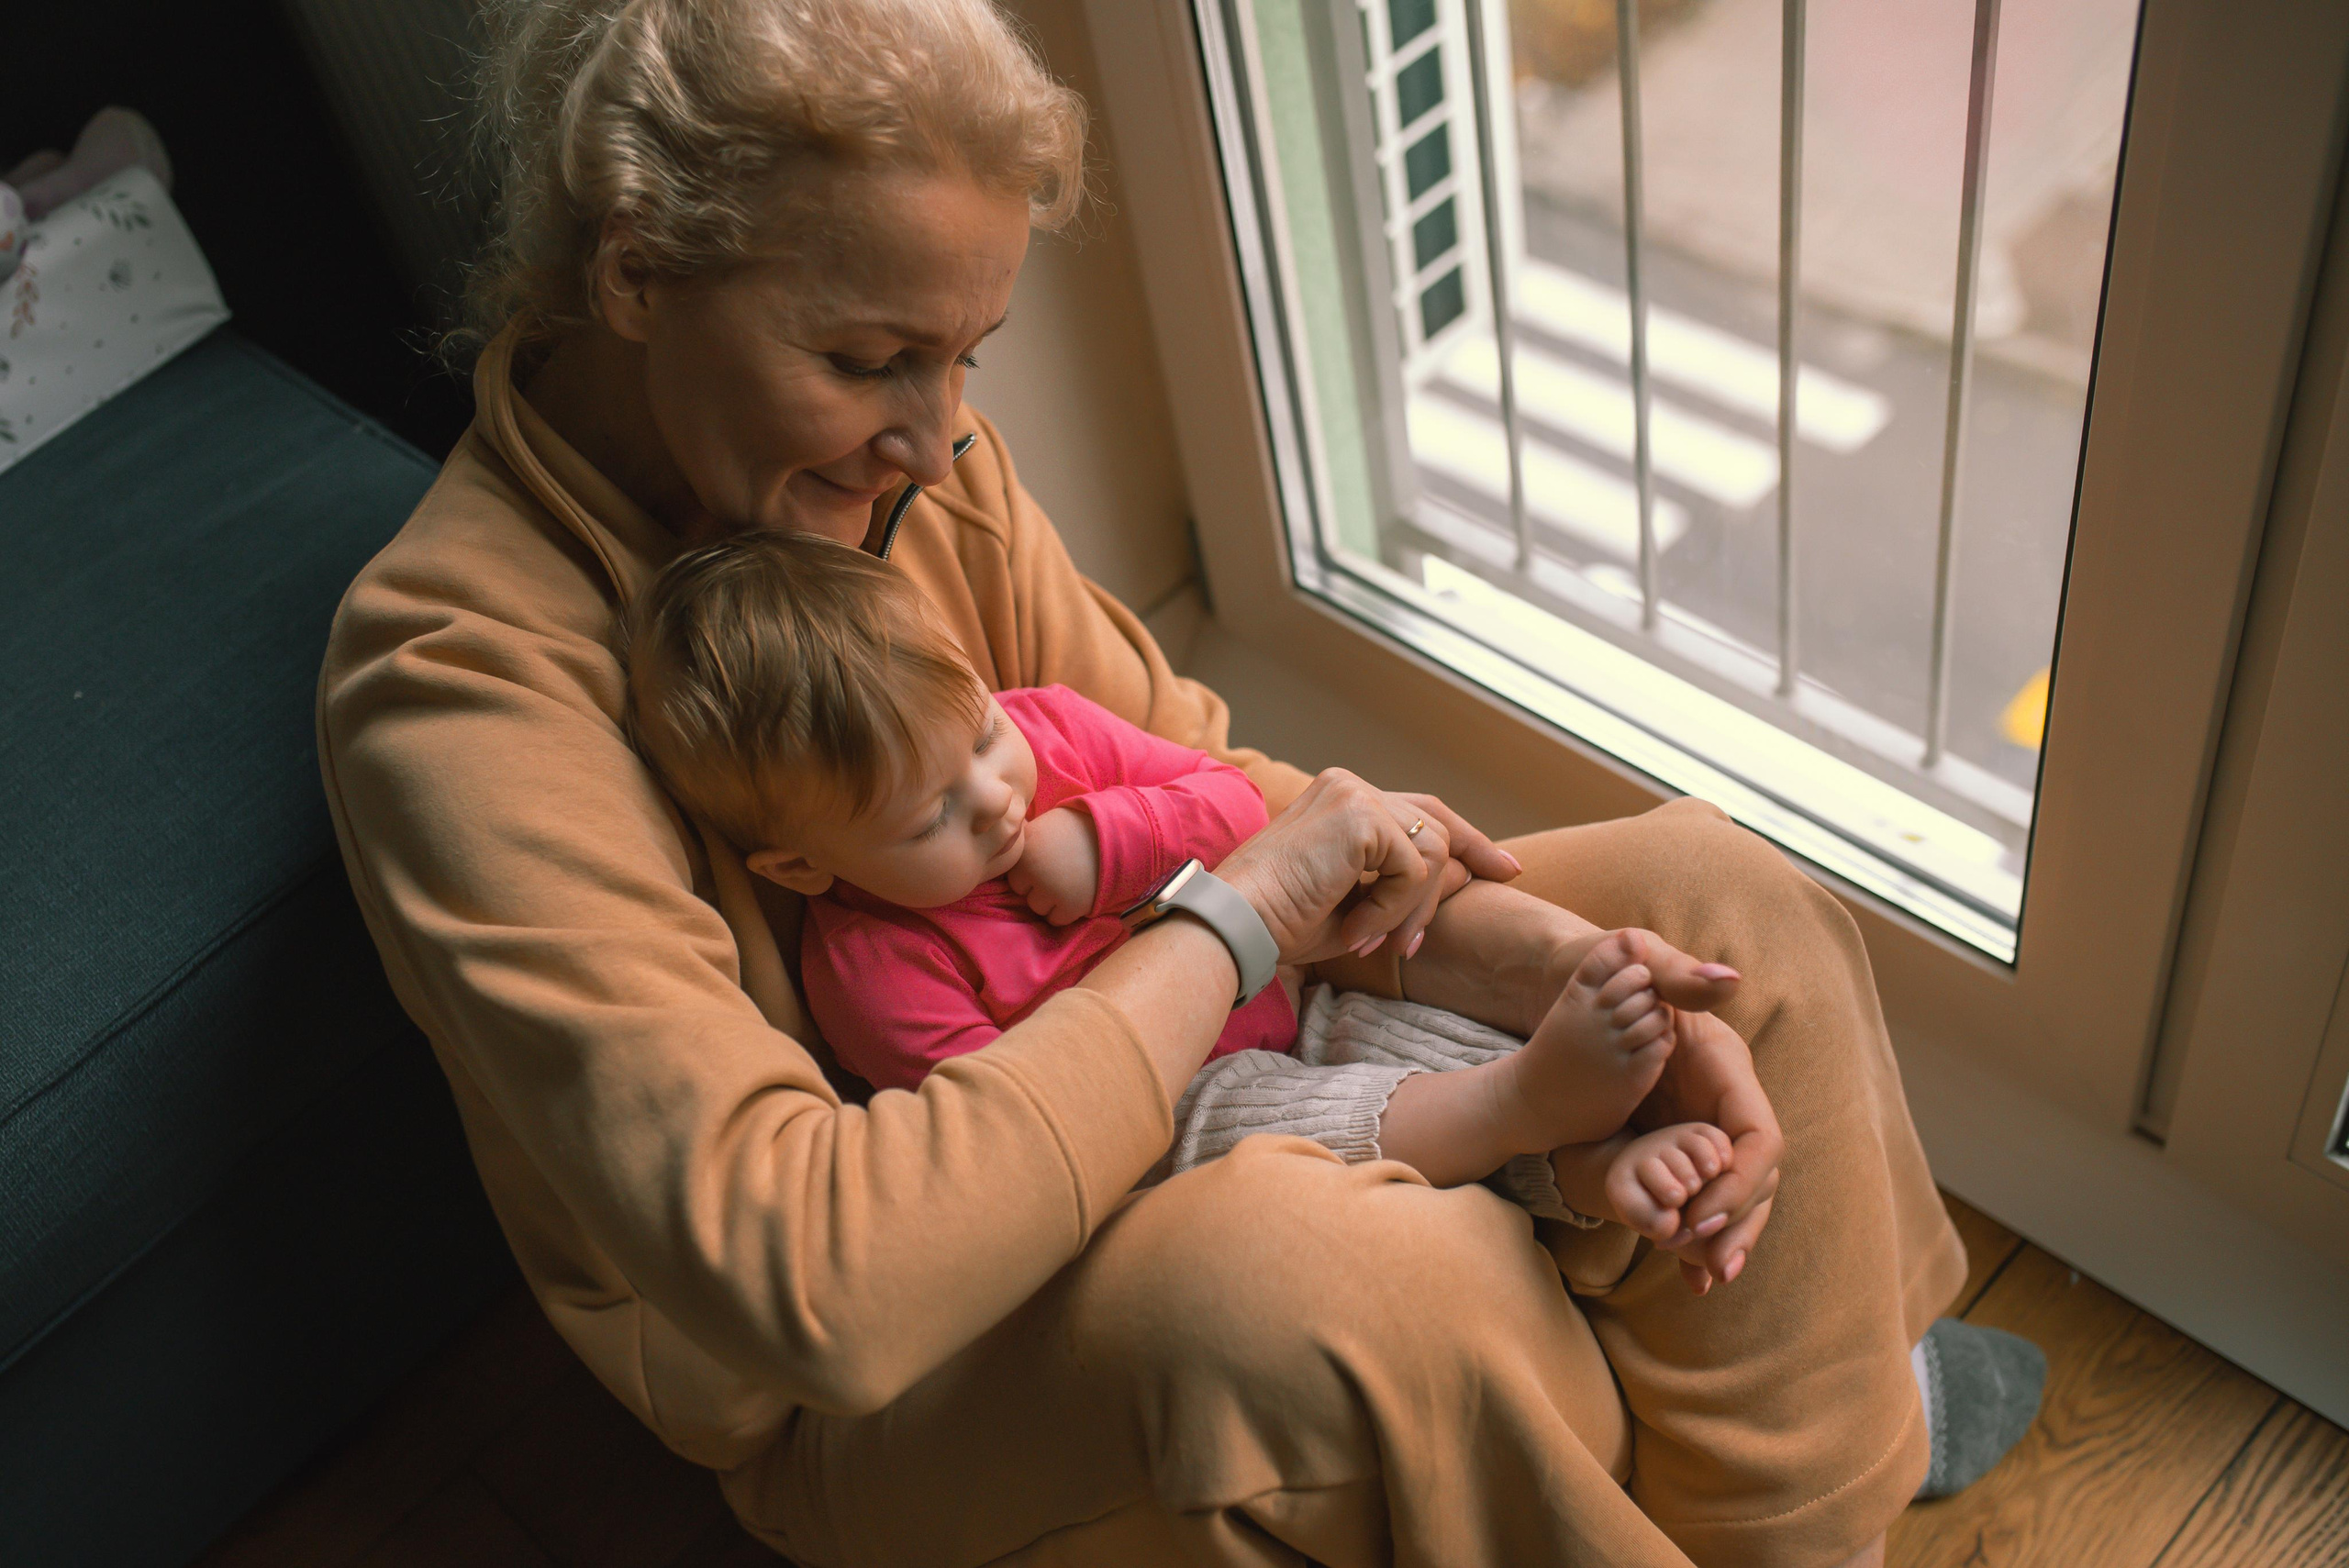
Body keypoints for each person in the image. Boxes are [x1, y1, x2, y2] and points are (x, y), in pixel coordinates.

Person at [317, 1, 2045, 1562]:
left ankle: (1801, 1493)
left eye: (962, 357)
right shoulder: (455, 691)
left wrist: (1569, 972)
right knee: (1343, 1281)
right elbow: (822, 1291)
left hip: (1187, 1057)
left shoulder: (904, 481)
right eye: (863, 361)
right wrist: (1234, 925)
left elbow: (1221, 792)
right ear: (633, 273)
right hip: (891, 1366)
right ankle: (1805, 1405)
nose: (936, 439)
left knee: (1716, 898)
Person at [620, 528, 1742, 1242]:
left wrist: (1109, 837)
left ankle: (1594, 1160)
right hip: (1168, 1121)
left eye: (980, 735)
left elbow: (1239, 812)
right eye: (930, 818)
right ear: (803, 865)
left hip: (1295, 999)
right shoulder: (871, 972)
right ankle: (1536, 1116)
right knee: (1254, 1116)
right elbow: (1019, 1126)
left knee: (1380, 1031)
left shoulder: (1050, 728)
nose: (995, 796)